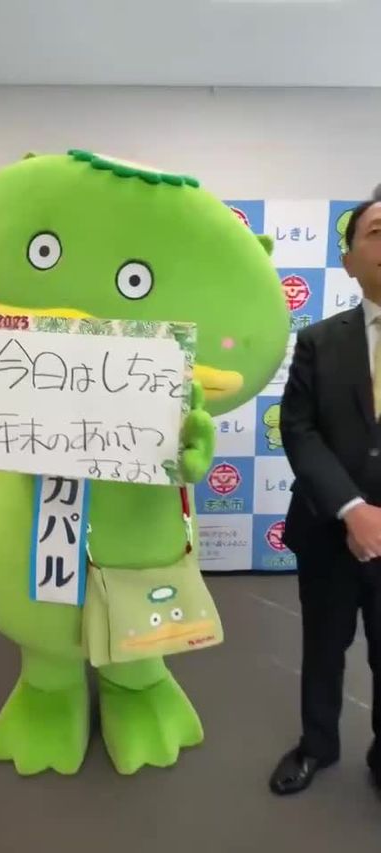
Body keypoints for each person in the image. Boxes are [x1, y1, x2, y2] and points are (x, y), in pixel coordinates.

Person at [270, 187, 381, 796]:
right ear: (349, 260)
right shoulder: (317, 340)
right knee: (322, 646)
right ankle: (317, 745)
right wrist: (353, 509)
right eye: (376, 232)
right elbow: (299, 430)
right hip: (326, 529)